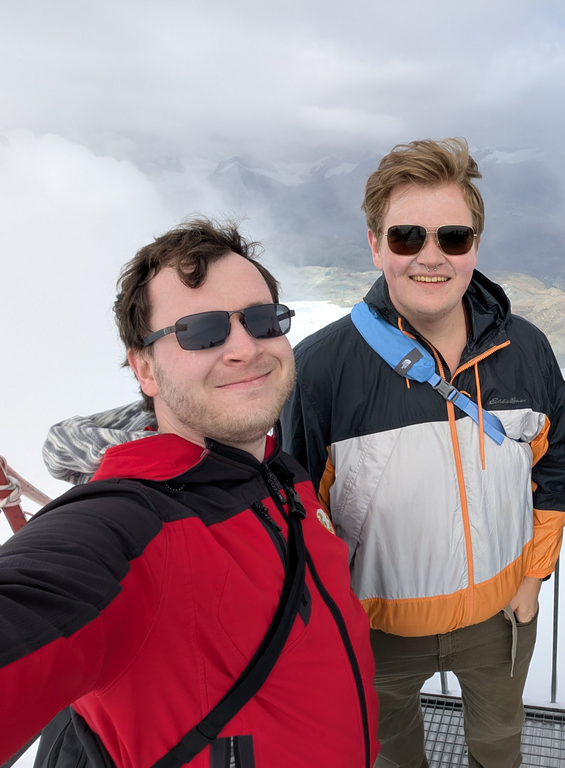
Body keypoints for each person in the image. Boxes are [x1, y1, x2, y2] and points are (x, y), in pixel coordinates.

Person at [0, 219, 379, 768]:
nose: (245, 348)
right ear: (144, 368)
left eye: (263, 319)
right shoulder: (126, 528)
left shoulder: (288, 479)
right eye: (201, 331)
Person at [283, 138, 565, 768]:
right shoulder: (321, 370)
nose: (430, 257)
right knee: (390, 754)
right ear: (375, 244)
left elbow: (551, 466)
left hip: (501, 617)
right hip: (376, 633)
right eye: (408, 236)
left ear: (476, 247)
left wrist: (532, 579)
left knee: (498, 746)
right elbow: (295, 510)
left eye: (453, 238)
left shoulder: (525, 350)